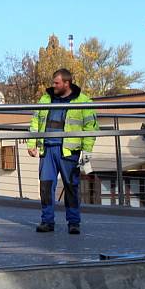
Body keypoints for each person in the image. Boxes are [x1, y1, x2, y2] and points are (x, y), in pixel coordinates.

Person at [27, 68, 98, 234]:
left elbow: (91, 127)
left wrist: (87, 151)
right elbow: (35, 121)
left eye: (57, 83)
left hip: (69, 151)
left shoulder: (83, 101)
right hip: (48, 150)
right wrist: (32, 143)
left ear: (67, 83)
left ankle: (73, 223)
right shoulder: (46, 98)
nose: (54, 85)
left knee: (71, 187)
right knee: (46, 187)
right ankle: (47, 221)